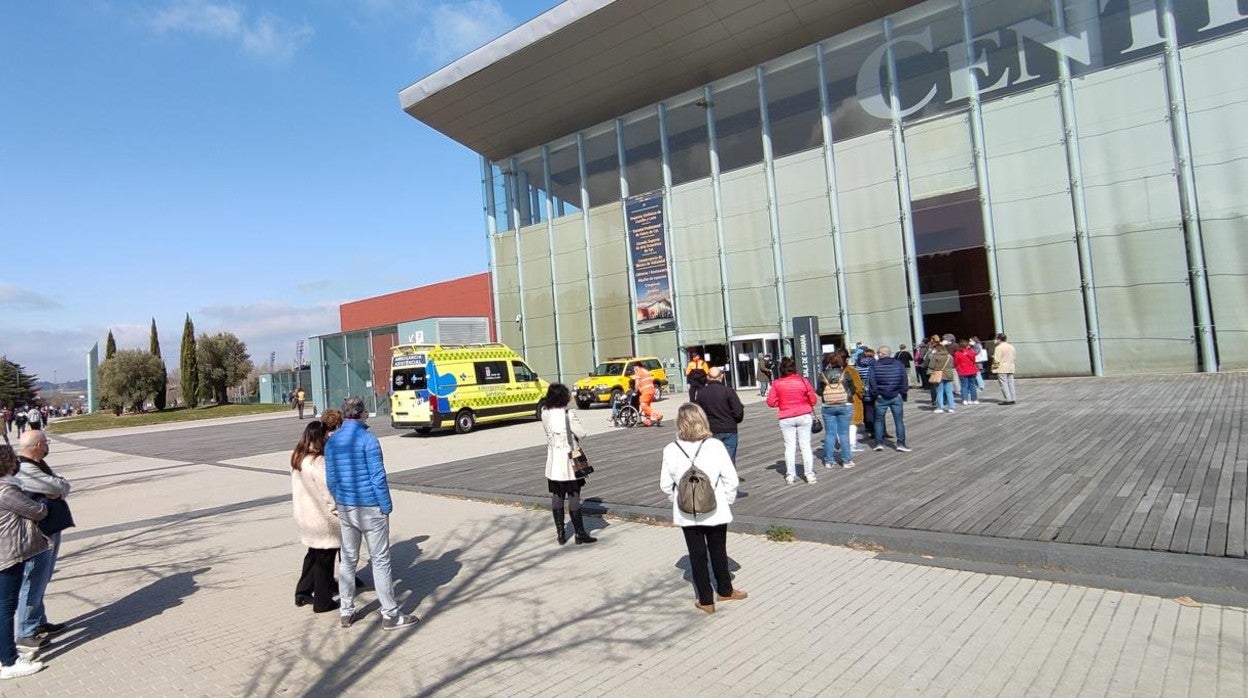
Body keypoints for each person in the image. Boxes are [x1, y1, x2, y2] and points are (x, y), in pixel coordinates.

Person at [324, 396, 417, 631]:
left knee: (348, 560)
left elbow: (332, 479)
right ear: (362, 413)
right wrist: (386, 506)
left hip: (347, 507)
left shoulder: (332, 442)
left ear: (344, 414)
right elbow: (378, 477)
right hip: (370, 507)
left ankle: (346, 611)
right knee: (381, 560)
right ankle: (390, 614)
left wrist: (340, 500)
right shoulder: (368, 439)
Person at [659, 404, 745, 614]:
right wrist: (726, 499)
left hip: (687, 510)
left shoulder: (671, 449)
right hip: (715, 507)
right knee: (718, 549)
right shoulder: (714, 445)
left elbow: (664, 484)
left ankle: (705, 599)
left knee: (696, 555)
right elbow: (730, 478)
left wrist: (678, 499)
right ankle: (725, 589)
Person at [13, 431, 71, 658]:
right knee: (33, 579)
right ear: (37, 445)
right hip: (37, 534)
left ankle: (39, 623)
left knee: (42, 578)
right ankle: (27, 631)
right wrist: (58, 488)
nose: (48, 446)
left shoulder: (38, 464)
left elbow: (61, 485)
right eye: (45, 442)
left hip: (48, 530)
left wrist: (59, 487)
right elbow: (59, 488)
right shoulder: (25, 469)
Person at [0, 445, 48, 679]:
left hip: (6, 553)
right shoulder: (6, 490)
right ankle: (8, 662)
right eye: (11, 460)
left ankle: (6, 653)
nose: (15, 463)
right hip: (6, 555)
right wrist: (44, 504)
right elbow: (36, 511)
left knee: (4, 608)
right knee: (6, 609)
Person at [291, 420, 342, 613]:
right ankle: (323, 601)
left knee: (313, 554)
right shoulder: (318, 462)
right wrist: (337, 509)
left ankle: (302, 591)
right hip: (322, 518)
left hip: (305, 514)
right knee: (325, 558)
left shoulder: (298, 457)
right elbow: (327, 491)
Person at [541, 384, 596, 545]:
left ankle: (560, 533)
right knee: (574, 495)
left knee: (557, 495)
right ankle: (580, 533)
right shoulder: (568, 415)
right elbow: (582, 434)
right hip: (568, 460)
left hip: (553, 460)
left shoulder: (545, 414)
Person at [765, 357, 818, 484]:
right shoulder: (803, 381)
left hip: (786, 416)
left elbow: (770, 402)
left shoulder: (777, 383)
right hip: (804, 414)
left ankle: (790, 475)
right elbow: (813, 400)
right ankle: (809, 475)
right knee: (805, 446)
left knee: (789, 447)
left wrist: (782, 403)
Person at [693, 367, 744, 463]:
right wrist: (734, 420)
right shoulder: (728, 391)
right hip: (728, 428)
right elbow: (738, 412)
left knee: (712, 460)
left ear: (708, 377)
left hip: (709, 429)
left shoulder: (701, 393)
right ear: (721, 376)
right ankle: (728, 477)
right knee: (728, 461)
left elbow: (697, 413)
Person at [868, 346, 911, 452]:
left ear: (880, 354)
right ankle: (901, 443)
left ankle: (878, 443)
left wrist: (875, 393)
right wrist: (903, 392)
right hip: (896, 395)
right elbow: (904, 379)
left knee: (878, 420)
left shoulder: (874, 365)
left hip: (881, 396)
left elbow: (872, 381)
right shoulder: (898, 364)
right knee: (899, 420)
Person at [817, 353, 856, 469]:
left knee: (830, 434)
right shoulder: (846, 373)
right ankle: (846, 461)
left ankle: (829, 461)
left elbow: (819, 392)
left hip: (828, 406)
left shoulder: (823, 375)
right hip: (845, 404)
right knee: (844, 433)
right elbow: (853, 390)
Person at [925, 338, 957, 413]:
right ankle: (951, 407)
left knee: (939, 391)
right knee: (949, 391)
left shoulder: (935, 356)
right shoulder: (949, 356)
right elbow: (952, 364)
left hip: (939, 375)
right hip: (949, 374)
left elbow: (931, 366)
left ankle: (940, 407)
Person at [993, 333, 1017, 405]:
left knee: (1004, 383)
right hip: (1010, 366)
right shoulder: (1011, 347)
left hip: (1002, 368)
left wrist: (994, 369)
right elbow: (1014, 357)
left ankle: (1008, 399)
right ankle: (1013, 398)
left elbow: (996, 360)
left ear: (999, 339)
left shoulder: (998, 348)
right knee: (1011, 383)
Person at [953, 339, 980, 405]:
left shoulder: (957, 353)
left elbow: (955, 363)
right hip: (972, 370)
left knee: (964, 386)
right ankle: (974, 399)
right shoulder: (971, 352)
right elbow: (974, 360)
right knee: (972, 385)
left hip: (962, 371)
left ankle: (965, 400)